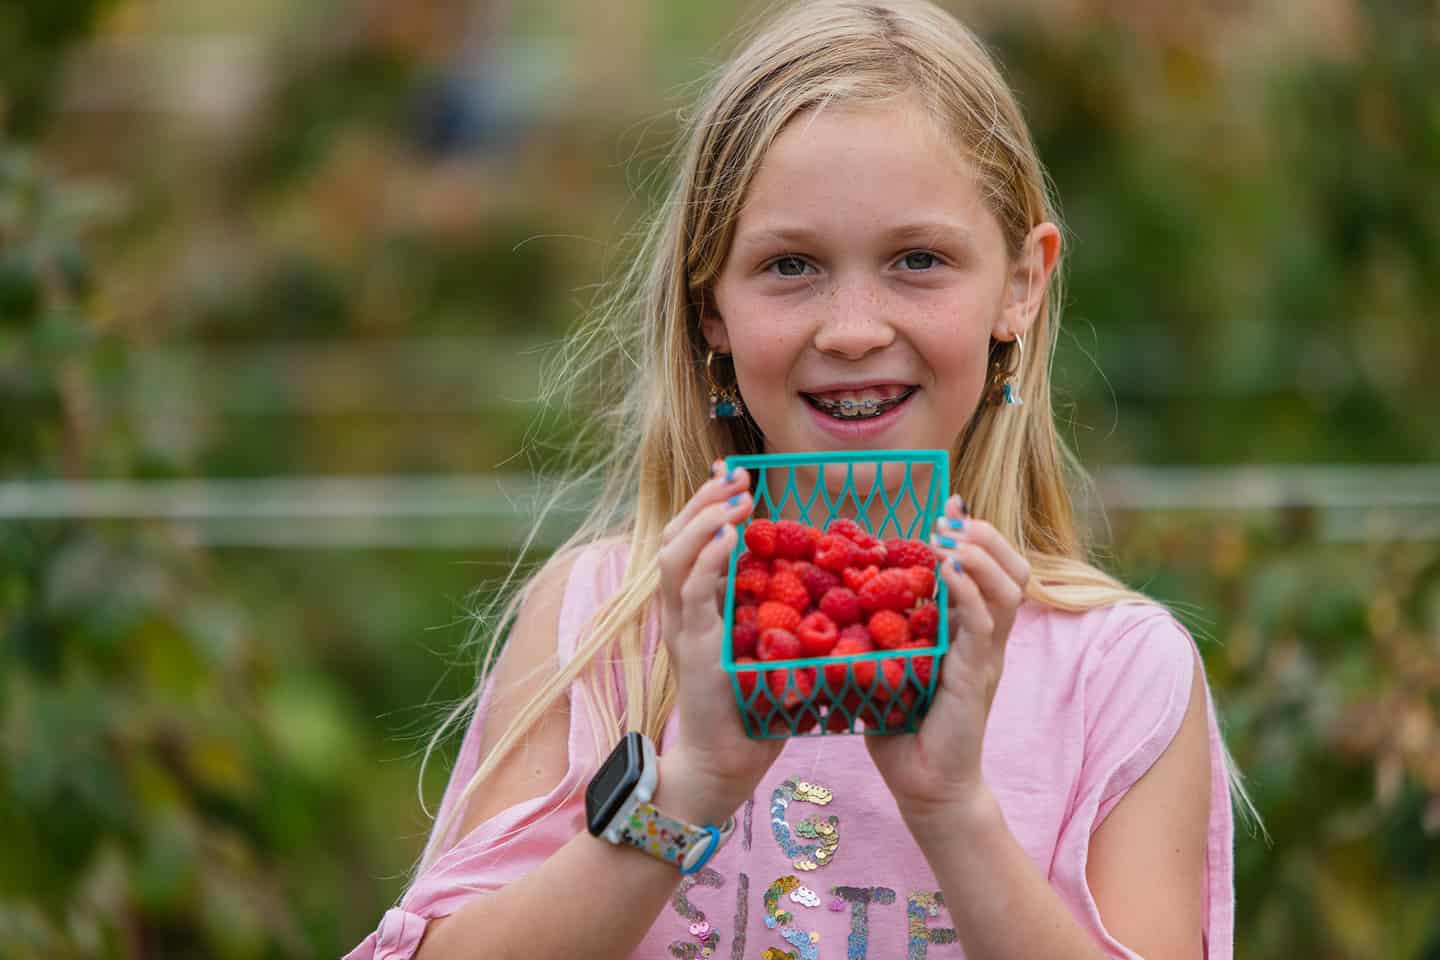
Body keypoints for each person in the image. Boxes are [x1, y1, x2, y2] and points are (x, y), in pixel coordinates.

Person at [346, 1, 1245, 957]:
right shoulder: (605, 622)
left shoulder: (1119, 676)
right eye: (791, 266)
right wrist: (689, 787)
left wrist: (952, 808)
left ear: (1022, 283)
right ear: (711, 309)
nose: (853, 328)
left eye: (918, 260)